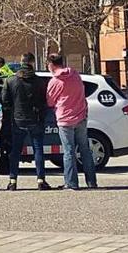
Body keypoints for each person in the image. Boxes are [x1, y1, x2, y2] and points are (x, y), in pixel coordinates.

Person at [46, 54, 97, 190]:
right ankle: (91, 181)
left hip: (65, 119)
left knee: (69, 151)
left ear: (51, 65)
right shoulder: (75, 75)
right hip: (81, 116)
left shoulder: (55, 81)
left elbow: (50, 101)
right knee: (85, 149)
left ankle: (72, 182)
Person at [1, 53, 51, 191]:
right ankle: (41, 180)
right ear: (33, 63)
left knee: (15, 151)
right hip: (36, 119)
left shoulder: (10, 80)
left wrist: (10, 115)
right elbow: (45, 101)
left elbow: (4, 101)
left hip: (18, 120)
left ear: (21, 62)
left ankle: (13, 181)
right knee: (38, 150)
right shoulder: (40, 81)